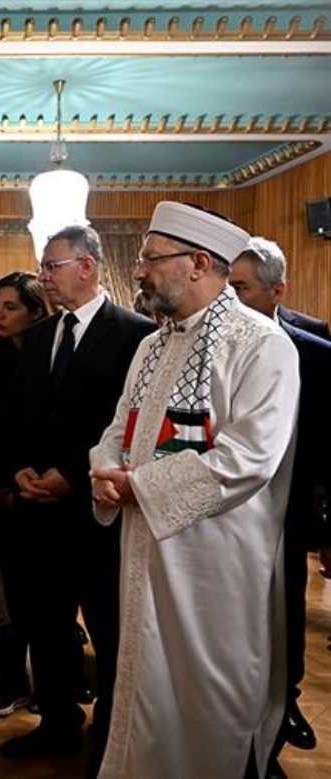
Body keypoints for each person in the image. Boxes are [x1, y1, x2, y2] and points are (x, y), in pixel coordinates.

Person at [89, 202, 299, 778]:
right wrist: (104, 471)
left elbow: (248, 459)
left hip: (217, 566)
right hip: (145, 550)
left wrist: (138, 486)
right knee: (147, 684)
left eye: (151, 260)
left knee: (206, 695)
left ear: (200, 263)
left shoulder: (261, 344)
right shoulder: (152, 345)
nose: (138, 272)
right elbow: (119, 428)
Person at [1, 226, 156, 767]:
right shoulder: (39, 335)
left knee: (109, 634)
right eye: (42, 267)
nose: (44, 276)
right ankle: (57, 723)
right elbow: (21, 414)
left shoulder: (136, 334)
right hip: (38, 512)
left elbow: (126, 426)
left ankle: (110, 739)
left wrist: (71, 473)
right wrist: (19, 468)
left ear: (87, 267)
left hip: (98, 513)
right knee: (46, 626)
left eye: (53, 265)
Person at [231, 238, 330, 765]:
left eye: (241, 289)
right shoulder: (214, 344)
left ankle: (286, 701)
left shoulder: (314, 349)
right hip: (230, 510)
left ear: (277, 291)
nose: (231, 299)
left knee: (288, 605)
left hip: (290, 509)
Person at [0, 272, 49, 718]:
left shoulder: (55, 350)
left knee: (52, 599)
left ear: (36, 311)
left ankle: (56, 683)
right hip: (9, 489)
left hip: (53, 487)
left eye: (10, 307)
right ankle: (11, 681)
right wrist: (3, 484)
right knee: (12, 593)